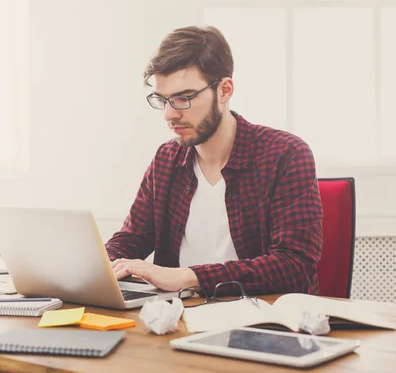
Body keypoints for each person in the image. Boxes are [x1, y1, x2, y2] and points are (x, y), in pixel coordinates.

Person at [105, 26, 323, 296]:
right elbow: (131, 239)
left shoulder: (286, 155)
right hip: (177, 321)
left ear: (225, 90)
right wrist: (100, 267)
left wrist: (189, 277)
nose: (169, 115)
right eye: (163, 100)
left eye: (183, 98)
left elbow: (295, 267)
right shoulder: (166, 160)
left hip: (260, 322)